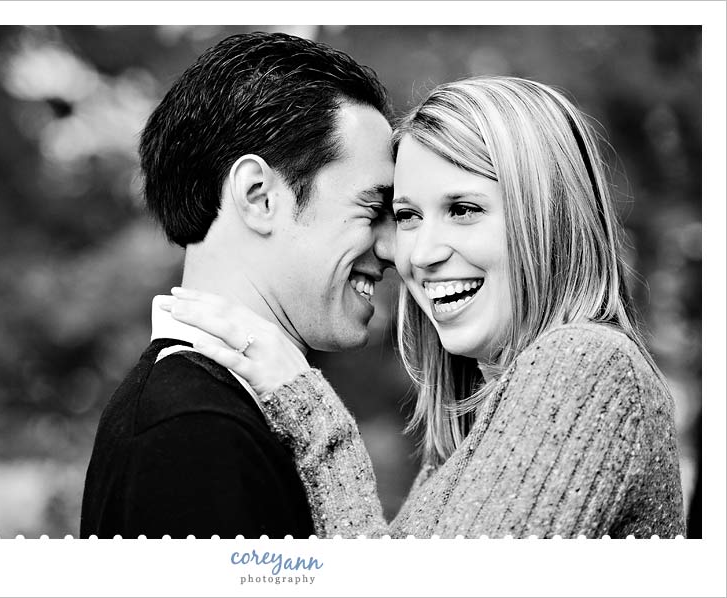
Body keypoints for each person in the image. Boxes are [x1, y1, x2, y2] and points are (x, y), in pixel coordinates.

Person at [164, 76, 687, 538]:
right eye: (408, 216)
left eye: (462, 210)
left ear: (549, 220)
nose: (420, 254)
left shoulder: (587, 366)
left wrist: (309, 411)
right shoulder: (478, 423)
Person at [79, 32, 396, 539]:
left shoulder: (210, 414)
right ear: (258, 196)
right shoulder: (192, 431)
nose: (394, 250)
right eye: (373, 208)